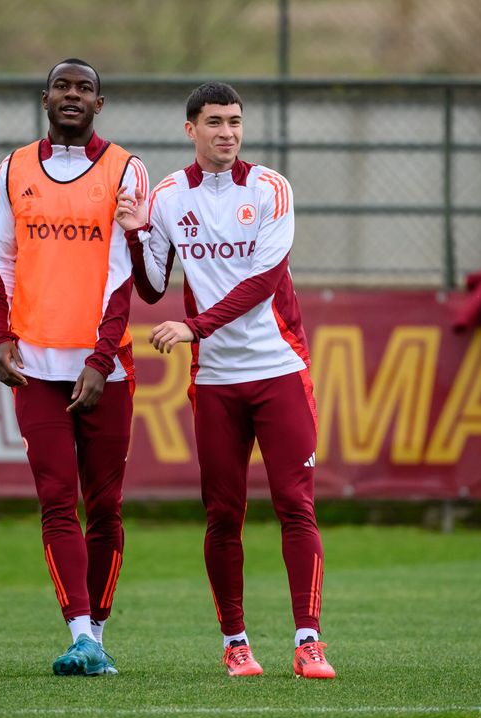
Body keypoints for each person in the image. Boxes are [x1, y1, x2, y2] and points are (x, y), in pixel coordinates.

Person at [114, 81, 335, 679]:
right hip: (215, 380)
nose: (227, 133)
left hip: (279, 369)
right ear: (191, 130)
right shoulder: (166, 197)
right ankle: (236, 643)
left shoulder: (270, 188)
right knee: (222, 514)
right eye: (214, 122)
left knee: (296, 506)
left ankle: (309, 641)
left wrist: (195, 326)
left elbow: (263, 282)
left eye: (235, 122)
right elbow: (152, 287)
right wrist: (135, 232)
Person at [0, 58, 148, 676]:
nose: (72, 95)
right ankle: (80, 634)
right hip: (35, 365)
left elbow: (123, 277)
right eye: (62, 86)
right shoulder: (12, 169)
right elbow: (0, 261)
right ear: (45, 97)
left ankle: (97, 633)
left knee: (104, 508)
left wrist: (101, 360)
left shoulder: (125, 169)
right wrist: (0, 337)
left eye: (84, 88)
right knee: (57, 500)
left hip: (105, 368)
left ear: (99, 104)